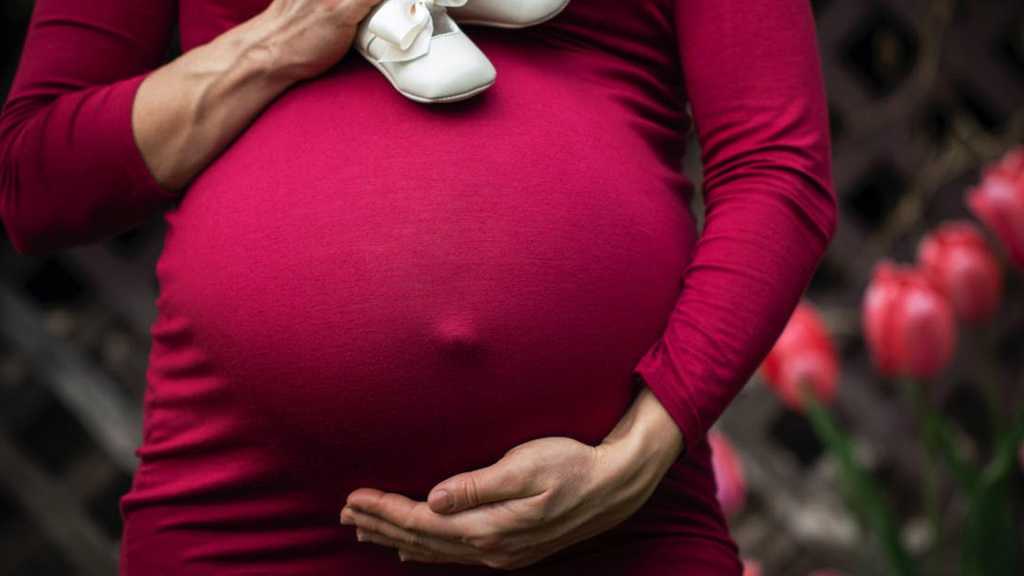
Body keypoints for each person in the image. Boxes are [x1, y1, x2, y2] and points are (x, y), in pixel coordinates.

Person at [0, 0, 837, 574]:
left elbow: (777, 167)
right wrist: (278, 38)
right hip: (245, 512)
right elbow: (38, 178)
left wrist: (639, 455)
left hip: (613, 520)